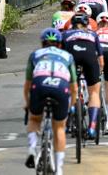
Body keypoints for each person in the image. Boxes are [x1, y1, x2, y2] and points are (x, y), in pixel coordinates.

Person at [23, 29, 77, 175]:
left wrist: (28, 104)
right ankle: (59, 169)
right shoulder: (68, 56)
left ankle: (32, 150)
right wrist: (71, 107)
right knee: (59, 127)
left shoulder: (35, 55)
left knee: (34, 119)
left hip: (40, 85)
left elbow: (27, 85)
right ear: (60, 44)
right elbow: (74, 88)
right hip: (60, 88)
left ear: (42, 43)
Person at [62, 13, 104, 139]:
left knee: (69, 90)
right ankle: (92, 128)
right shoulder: (92, 34)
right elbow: (101, 59)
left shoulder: (65, 34)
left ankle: (71, 108)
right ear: (87, 24)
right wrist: (99, 71)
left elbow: (61, 55)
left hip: (71, 58)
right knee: (94, 93)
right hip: (89, 59)